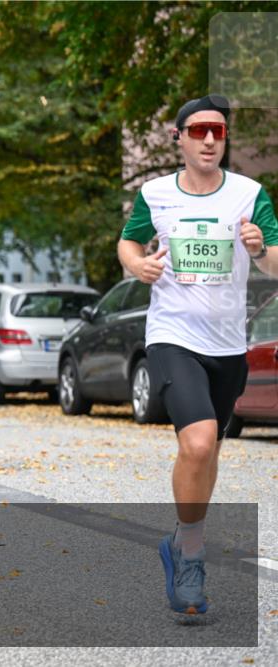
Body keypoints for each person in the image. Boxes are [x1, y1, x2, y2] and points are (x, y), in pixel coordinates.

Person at [118, 94, 278, 615]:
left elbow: (276, 264)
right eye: (200, 130)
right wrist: (137, 266)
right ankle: (189, 556)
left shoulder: (251, 194)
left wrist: (259, 250)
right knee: (200, 441)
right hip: (172, 335)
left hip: (229, 344)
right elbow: (128, 242)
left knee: (208, 452)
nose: (211, 139)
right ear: (180, 138)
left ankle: (183, 538)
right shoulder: (156, 193)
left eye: (220, 132)